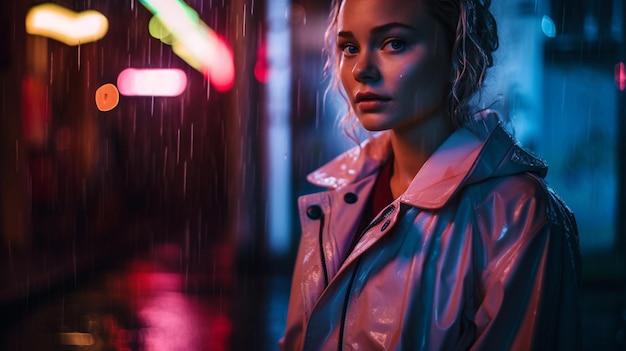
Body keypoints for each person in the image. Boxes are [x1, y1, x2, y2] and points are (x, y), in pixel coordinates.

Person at [279, 0, 582, 349]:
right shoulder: (335, 196)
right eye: (350, 47)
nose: (362, 68)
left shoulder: (518, 215)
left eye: (394, 43)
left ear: (458, 50)